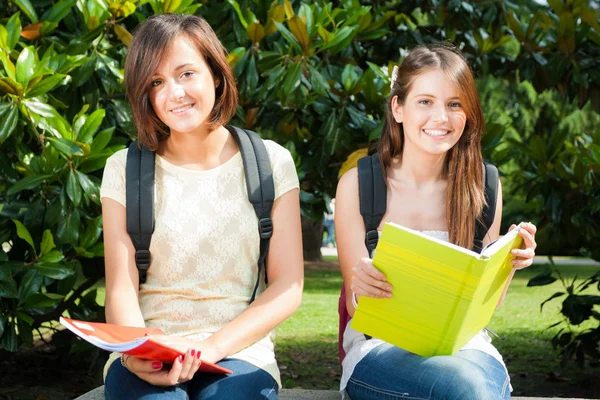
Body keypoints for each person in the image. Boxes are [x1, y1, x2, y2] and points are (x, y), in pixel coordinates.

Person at [100, 14, 303, 400]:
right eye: (156, 82)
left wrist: (210, 348)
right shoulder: (123, 169)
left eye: (186, 73)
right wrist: (134, 352)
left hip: (241, 351)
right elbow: (121, 288)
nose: (174, 93)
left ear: (215, 73)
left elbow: (287, 287)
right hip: (149, 350)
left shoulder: (271, 163)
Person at [335, 43, 537, 400]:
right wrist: (360, 285)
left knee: (470, 384)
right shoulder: (359, 184)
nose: (441, 117)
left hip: (468, 350)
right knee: (466, 388)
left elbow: (485, 308)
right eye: (425, 101)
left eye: (454, 104)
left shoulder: (484, 185)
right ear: (398, 108)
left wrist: (509, 262)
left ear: (468, 114)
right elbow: (355, 305)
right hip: (381, 349)